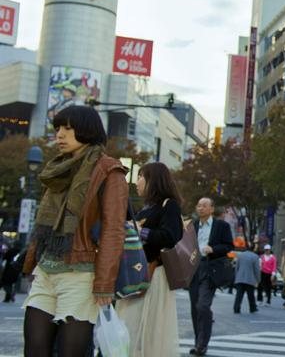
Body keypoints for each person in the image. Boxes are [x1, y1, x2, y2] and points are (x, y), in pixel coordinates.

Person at [21, 105, 128, 356]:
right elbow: (44, 223)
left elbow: (113, 230)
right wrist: (31, 262)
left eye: (67, 128)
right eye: (58, 128)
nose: (59, 134)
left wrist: (104, 284)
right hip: (47, 269)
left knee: (72, 352)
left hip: (81, 274)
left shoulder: (109, 170)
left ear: (87, 130)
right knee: (34, 348)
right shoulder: (60, 169)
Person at [114, 162, 183, 356]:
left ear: (153, 180)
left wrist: (140, 231)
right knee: (128, 326)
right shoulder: (145, 208)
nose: (137, 182)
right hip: (134, 272)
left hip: (152, 274)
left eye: (140, 176)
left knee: (143, 328)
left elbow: (171, 237)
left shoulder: (169, 205)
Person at [188, 197, 234, 356]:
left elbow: (229, 245)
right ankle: (198, 343)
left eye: (204, 205)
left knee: (202, 305)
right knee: (195, 308)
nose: (200, 208)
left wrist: (213, 249)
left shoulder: (222, 226)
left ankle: (202, 344)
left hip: (210, 268)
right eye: (198, 205)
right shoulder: (191, 226)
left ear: (212, 209)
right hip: (193, 269)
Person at [233, 242, 260, 314]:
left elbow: (237, 268)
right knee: (251, 295)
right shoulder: (255, 257)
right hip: (250, 279)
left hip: (240, 278)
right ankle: (252, 308)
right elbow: (257, 270)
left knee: (239, 295)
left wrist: (236, 277)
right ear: (253, 248)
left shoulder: (240, 255)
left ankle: (236, 308)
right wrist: (258, 279)